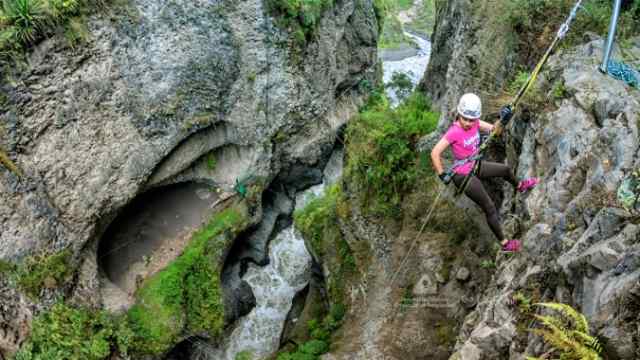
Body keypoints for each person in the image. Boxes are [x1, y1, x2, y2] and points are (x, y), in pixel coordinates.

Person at [430, 93, 538, 252]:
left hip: (474, 164)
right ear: (459, 115)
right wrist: (442, 174)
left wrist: (504, 119)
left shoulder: (475, 123)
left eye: (471, 119)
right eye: (464, 118)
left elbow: (496, 131)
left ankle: (520, 186)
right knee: (490, 207)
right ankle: (505, 244)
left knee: (505, 170)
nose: (467, 123)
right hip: (462, 175)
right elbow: (435, 152)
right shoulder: (454, 131)